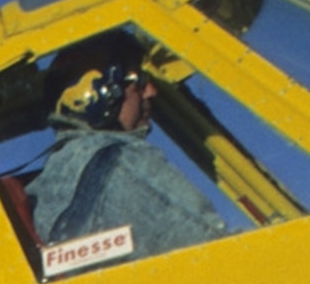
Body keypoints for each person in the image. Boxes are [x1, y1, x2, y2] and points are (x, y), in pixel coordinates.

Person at [29, 31, 231, 271]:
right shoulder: (118, 163)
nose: (151, 92)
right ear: (97, 95)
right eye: (139, 82)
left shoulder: (54, 181)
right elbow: (216, 256)